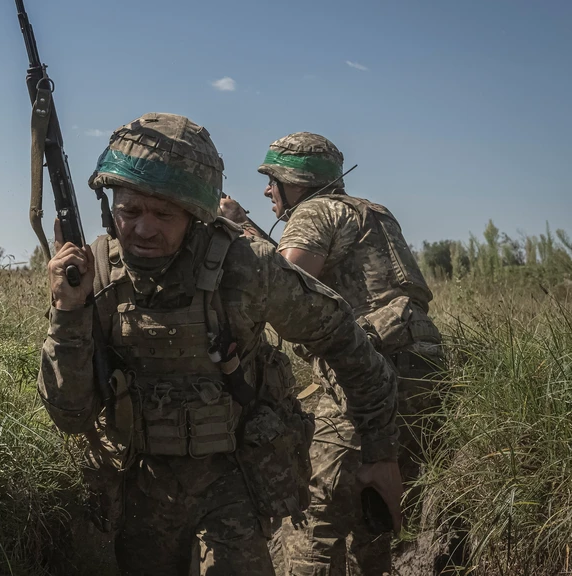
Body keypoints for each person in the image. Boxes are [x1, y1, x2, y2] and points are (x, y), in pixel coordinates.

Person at [38, 113, 402, 575]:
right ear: (112, 206)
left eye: (164, 215)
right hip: (141, 486)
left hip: (235, 481)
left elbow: (347, 342)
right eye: (130, 212)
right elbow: (70, 415)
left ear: (196, 215)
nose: (144, 230)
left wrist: (379, 453)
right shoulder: (95, 276)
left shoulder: (246, 269)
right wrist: (68, 313)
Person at [220, 132, 447, 576]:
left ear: (294, 181)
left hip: (365, 374)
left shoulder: (313, 211)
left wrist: (236, 226)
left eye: (272, 180)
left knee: (312, 517)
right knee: (373, 511)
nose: (267, 190)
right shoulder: (373, 213)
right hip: (425, 371)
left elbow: (283, 284)